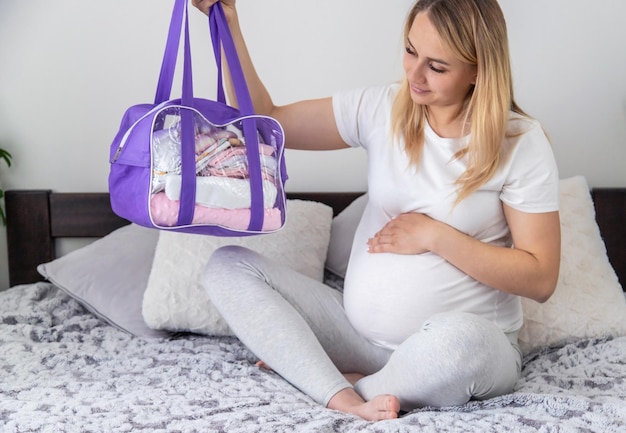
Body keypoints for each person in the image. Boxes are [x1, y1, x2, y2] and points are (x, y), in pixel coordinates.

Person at [192, 0, 561, 421]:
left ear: (478, 71)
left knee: (463, 343)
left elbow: (541, 277)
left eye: (437, 67)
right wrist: (228, 24)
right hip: (358, 337)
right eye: (410, 51)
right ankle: (351, 395)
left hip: (467, 346)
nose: (414, 75)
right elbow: (265, 121)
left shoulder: (520, 143)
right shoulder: (382, 107)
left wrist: (435, 236)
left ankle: (342, 386)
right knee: (227, 267)